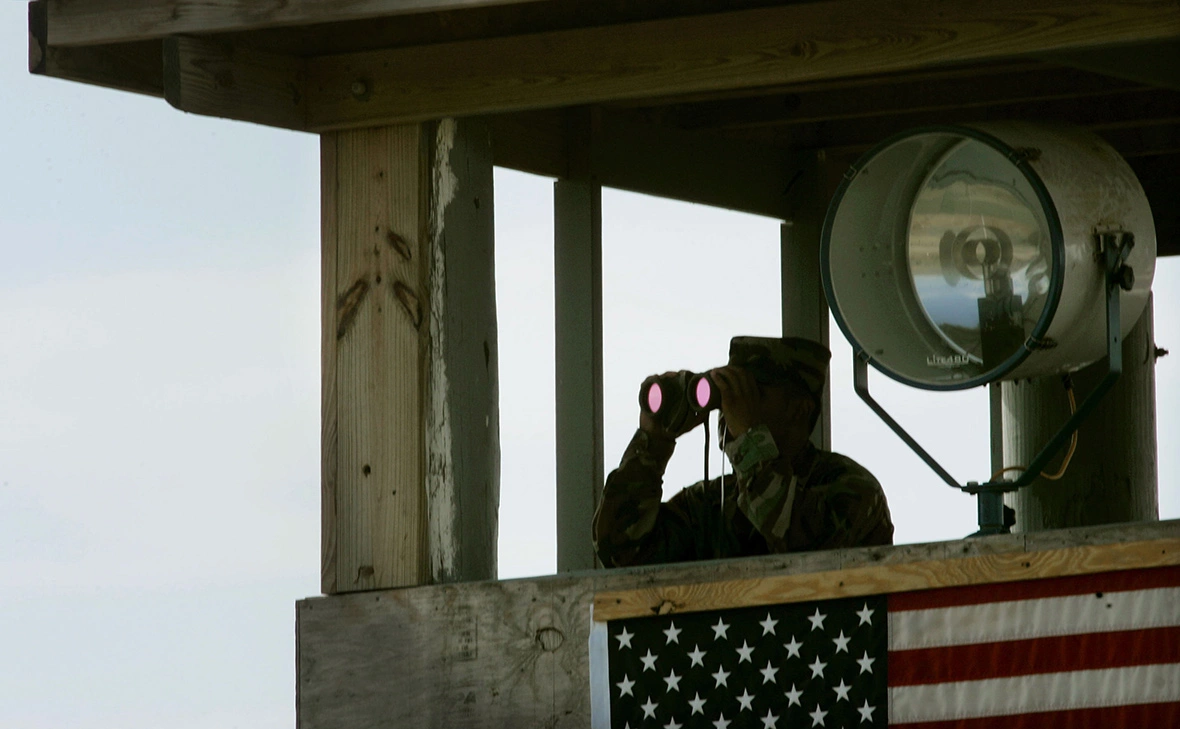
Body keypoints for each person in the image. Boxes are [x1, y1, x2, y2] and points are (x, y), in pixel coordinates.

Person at [592, 336, 893, 567]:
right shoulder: (713, 504)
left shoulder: (849, 488)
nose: (731, 405)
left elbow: (802, 545)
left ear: (799, 409)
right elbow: (620, 551)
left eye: (752, 393)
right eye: (728, 393)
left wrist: (750, 439)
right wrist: (652, 445)